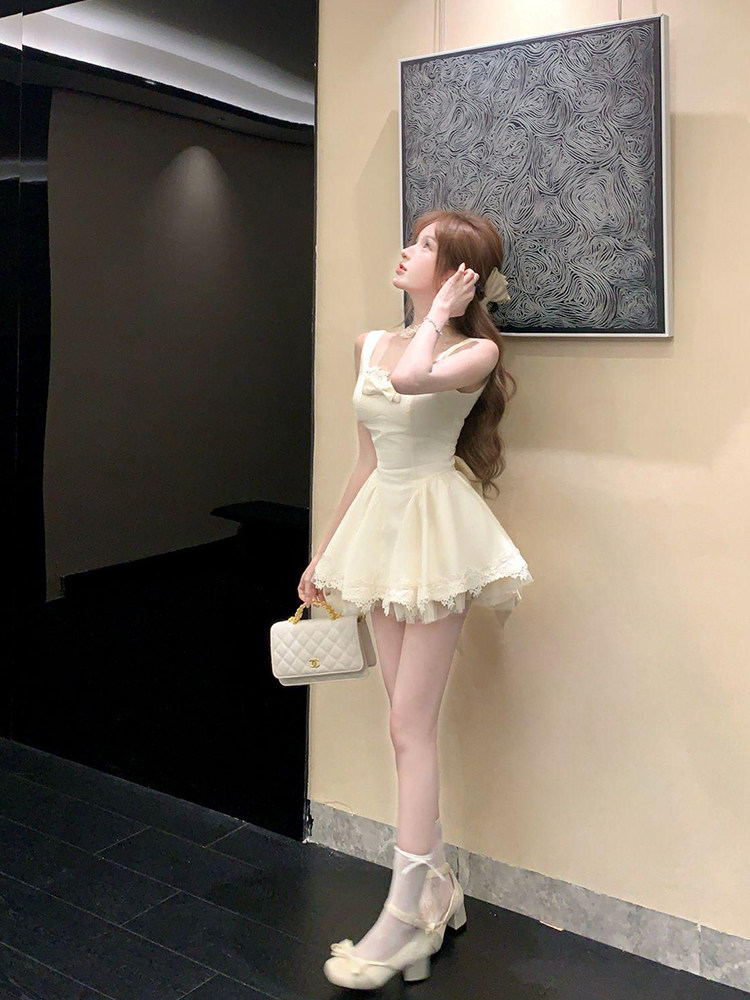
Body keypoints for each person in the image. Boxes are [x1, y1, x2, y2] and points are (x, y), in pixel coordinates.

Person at [299, 209, 533, 989]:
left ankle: (404, 920)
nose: (408, 250)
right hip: (380, 527)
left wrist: (436, 315)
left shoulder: (474, 350)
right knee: (399, 725)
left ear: (460, 273)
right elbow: (365, 459)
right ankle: (437, 891)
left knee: (410, 726)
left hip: (435, 533)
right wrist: (325, 552)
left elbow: (410, 382)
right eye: (415, 238)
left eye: (428, 245)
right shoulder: (368, 343)